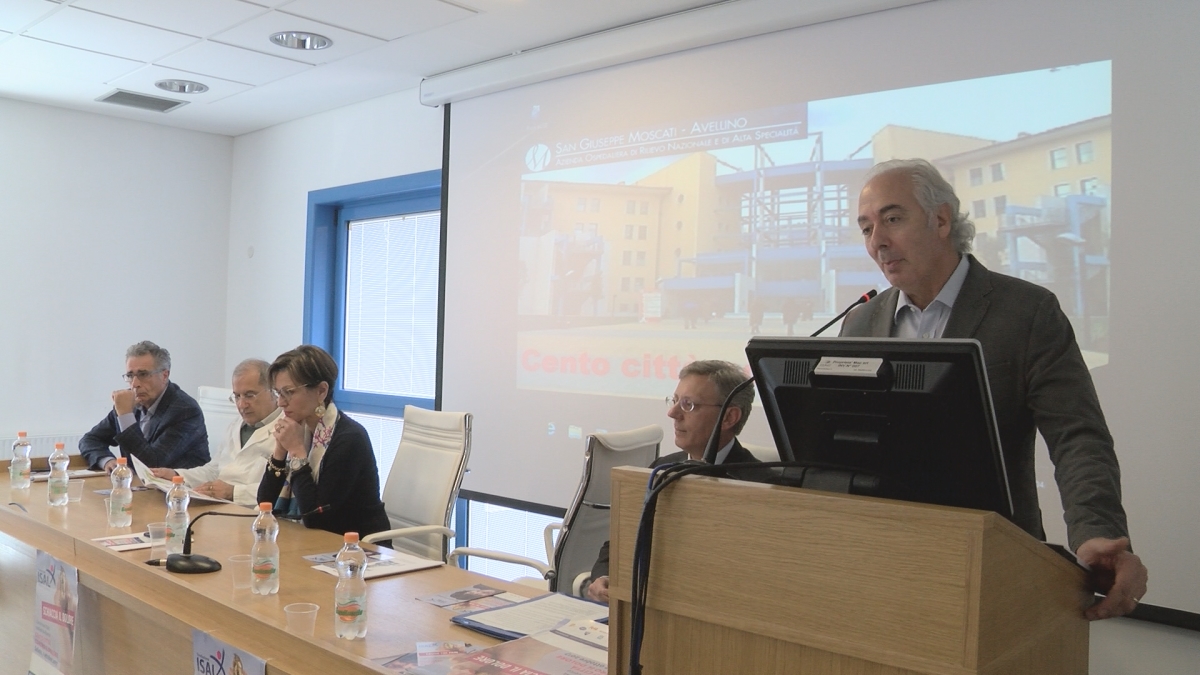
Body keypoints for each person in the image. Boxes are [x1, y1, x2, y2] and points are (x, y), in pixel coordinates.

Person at [842, 158, 1147, 620]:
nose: (877, 241)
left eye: (893, 219)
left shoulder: (1026, 312)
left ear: (941, 220)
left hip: (994, 562)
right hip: (881, 561)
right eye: (866, 228)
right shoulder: (861, 321)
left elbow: (1077, 436)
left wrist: (1095, 531)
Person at [585, 359, 759, 604]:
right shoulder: (661, 469)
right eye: (674, 400)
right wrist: (604, 575)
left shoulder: (761, 487)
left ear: (729, 417)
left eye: (688, 404)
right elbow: (622, 539)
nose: (673, 413)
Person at [256, 345, 391, 543]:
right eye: (278, 393)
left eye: (289, 392)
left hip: (357, 548)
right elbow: (264, 504)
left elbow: (316, 517)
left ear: (321, 391)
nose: (281, 403)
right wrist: (280, 450)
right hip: (313, 543)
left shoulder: (349, 438)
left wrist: (297, 452)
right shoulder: (302, 430)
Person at [150, 359, 280, 506]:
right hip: (219, 505)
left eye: (250, 395)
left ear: (273, 391)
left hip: (252, 510)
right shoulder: (236, 425)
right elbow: (214, 470)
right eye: (237, 396)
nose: (242, 405)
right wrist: (177, 475)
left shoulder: (288, 431)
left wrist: (233, 492)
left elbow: (282, 491)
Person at [79, 341, 209, 472]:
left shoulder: (185, 410)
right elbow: (90, 439)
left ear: (165, 375)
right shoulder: (130, 402)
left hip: (178, 484)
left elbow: (150, 466)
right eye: (130, 376)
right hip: (137, 483)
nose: (135, 384)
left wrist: (126, 416)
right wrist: (107, 460)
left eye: (143, 374)